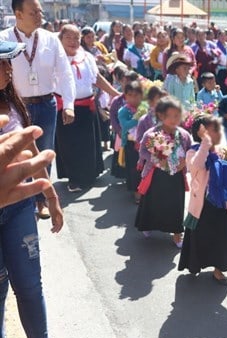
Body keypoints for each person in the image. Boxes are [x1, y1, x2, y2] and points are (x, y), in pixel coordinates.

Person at [0, 38, 63, 338]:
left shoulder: (12, 102)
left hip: (19, 208)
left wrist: (50, 196)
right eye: (1, 63)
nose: (8, 70)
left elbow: (33, 149)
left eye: (9, 62)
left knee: (29, 288)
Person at [0, 0, 76, 219]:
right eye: (34, 12)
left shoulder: (51, 39)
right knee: (17, 154)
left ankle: (41, 199)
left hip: (45, 105)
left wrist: (68, 105)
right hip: (15, 106)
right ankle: (17, 198)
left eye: (40, 11)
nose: (39, 15)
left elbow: (65, 73)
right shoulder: (4, 39)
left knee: (43, 153)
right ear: (18, 14)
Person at [179, 115, 227, 282]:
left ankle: (218, 270)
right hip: (202, 205)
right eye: (212, 129)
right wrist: (206, 143)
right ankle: (195, 265)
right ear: (201, 132)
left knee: (221, 238)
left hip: (221, 203)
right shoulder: (193, 152)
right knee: (200, 238)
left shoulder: (220, 152)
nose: (217, 132)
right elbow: (197, 165)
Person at [55, 24, 119, 193]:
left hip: (87, 106)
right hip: (65, 107)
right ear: (60, 39)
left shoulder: (87, 56)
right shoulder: (55, 58)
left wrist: (114, 93)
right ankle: (74, 178)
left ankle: (90, 174)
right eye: (68, 37)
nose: (73, 41)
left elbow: (96, 78)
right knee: (69, 144)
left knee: (88, 143)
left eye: (76, 38)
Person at [136, 96, 192, 248]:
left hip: (176, 176)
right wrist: (156, 159)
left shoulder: (184, 135)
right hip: (156, 175)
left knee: (176, 205)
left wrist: (185, 162)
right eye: (171, 116)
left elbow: (190, 151)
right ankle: (148, 225)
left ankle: (177, 234)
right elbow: (142, 152)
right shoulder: (152, 134)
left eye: (178, 116)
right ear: (161, 115)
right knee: (152, 202)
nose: (175, 119)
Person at [0, 116, 55, 208]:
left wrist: (52, 197)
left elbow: (34, 157)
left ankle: (41, 203)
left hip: (19, 198)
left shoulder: (11, 107)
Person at [118, 81, 144, 203]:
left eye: (137, 95)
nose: (134, 98)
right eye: (130, 95)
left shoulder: (145, 108)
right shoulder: (123, 111)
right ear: (126, 96)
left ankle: (145, 189)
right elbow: (125, 125)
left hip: (144, 142)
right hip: (131, 144)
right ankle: (136, 192)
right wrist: (138, 118)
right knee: (134, 169)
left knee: (145, 167)